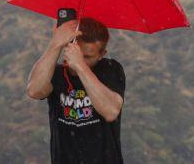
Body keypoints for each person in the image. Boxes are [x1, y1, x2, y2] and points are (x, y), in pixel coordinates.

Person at [27, 18, 125, 164]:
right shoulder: (56, 72)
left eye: (88, 57)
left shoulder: (110, 69)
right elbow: (34, 91)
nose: (81, 59)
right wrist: (56, 44)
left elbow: (110, 111)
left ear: (102, 54)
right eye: (78, 53)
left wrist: (80, 66)